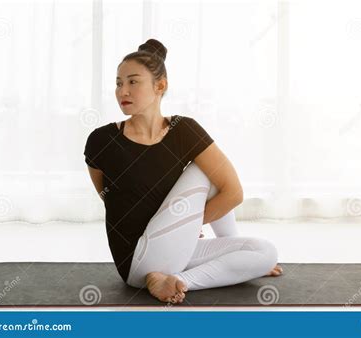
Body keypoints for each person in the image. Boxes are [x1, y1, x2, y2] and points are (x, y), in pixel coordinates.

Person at [84, 39, 282, 304]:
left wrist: (184, 225)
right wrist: (182, 223)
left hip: (174, 252)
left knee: (264, 252)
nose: (123, 91)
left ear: (160, 86)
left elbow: (233, 193)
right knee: (206, 170)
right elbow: (109, 198)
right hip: (136, 260)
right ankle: (155, 277)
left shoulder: (183, 130)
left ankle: (179, 281)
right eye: (119, 83)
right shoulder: (101, 139)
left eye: (133, 82)